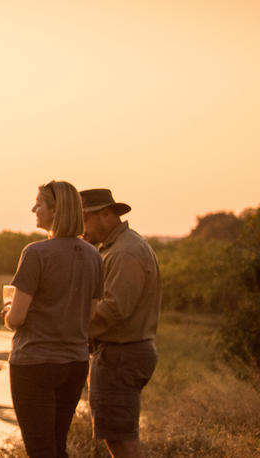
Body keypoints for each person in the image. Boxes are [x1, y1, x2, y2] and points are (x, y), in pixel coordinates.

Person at [2, 181, 103, 458]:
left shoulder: (35, 253)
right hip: (75, 363)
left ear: (56, 210)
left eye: (39, 203)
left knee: (40, 450)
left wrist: (8, 313)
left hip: (35, 363)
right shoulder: (93, 255)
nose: (34, 209)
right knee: (57, 446)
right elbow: (91, 314)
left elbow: (17, 318)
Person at [80, 188, 161, 458]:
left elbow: (113, 310)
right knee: (117, 437)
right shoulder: (117, 248)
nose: (80, 229)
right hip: (119, 353)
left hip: (121, 354)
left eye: (83, 220)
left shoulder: (125, 253)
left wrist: (69, 323)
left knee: (121, 439)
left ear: (105, 215)